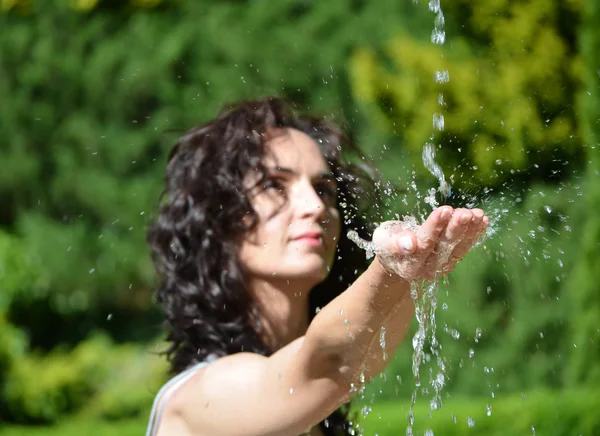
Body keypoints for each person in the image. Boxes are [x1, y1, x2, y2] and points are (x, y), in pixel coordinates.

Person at [145, 97, 488, 436]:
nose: (315, 206)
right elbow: (326, 365)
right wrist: (393, 269)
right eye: (274, 185)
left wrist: (415, 266)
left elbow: (341, 361)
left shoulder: (319, 411)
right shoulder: (197, 400)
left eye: (324, 189)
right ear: (219, 220)